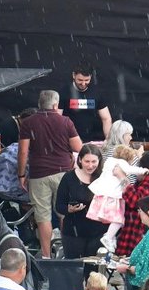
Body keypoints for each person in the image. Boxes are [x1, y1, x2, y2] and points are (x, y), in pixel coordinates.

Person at [18, 90, 83, 258]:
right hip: (63, 173)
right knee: (64, 213)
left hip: (39, 174)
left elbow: (23, 152)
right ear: (55, 105)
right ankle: (64, 250)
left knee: (42, 216)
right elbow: (78, 147)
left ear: (40, 104)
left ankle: (47, 255)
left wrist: (21, 175)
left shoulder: (28, 123)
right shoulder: (65, 122)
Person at [54, 143, 107, 259]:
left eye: (94, 162)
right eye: (87, 161)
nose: (90, 165)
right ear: (80, 160)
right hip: (73, 233)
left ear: (99, 161)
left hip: (97, 232)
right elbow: (59, 206)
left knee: (93, 272)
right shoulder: (69, 178)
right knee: (74, 269)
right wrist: (69, 209)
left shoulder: (104, 178)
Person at [115, 150, 149, 257]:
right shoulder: (145, 181)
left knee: (135, 265)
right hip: (133, 227)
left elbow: (136, 201)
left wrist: (122, 178)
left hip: (138, 228)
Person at [62, 63, 111, 142]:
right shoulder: (64, 92)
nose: (83, 84)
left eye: (86, 80)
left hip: (91, 139)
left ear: (91, 77)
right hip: (68, 139)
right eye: (80, 80)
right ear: (74, 75)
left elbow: (106, 118)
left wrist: (108, 140)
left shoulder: (97, 92)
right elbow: (57, 117)